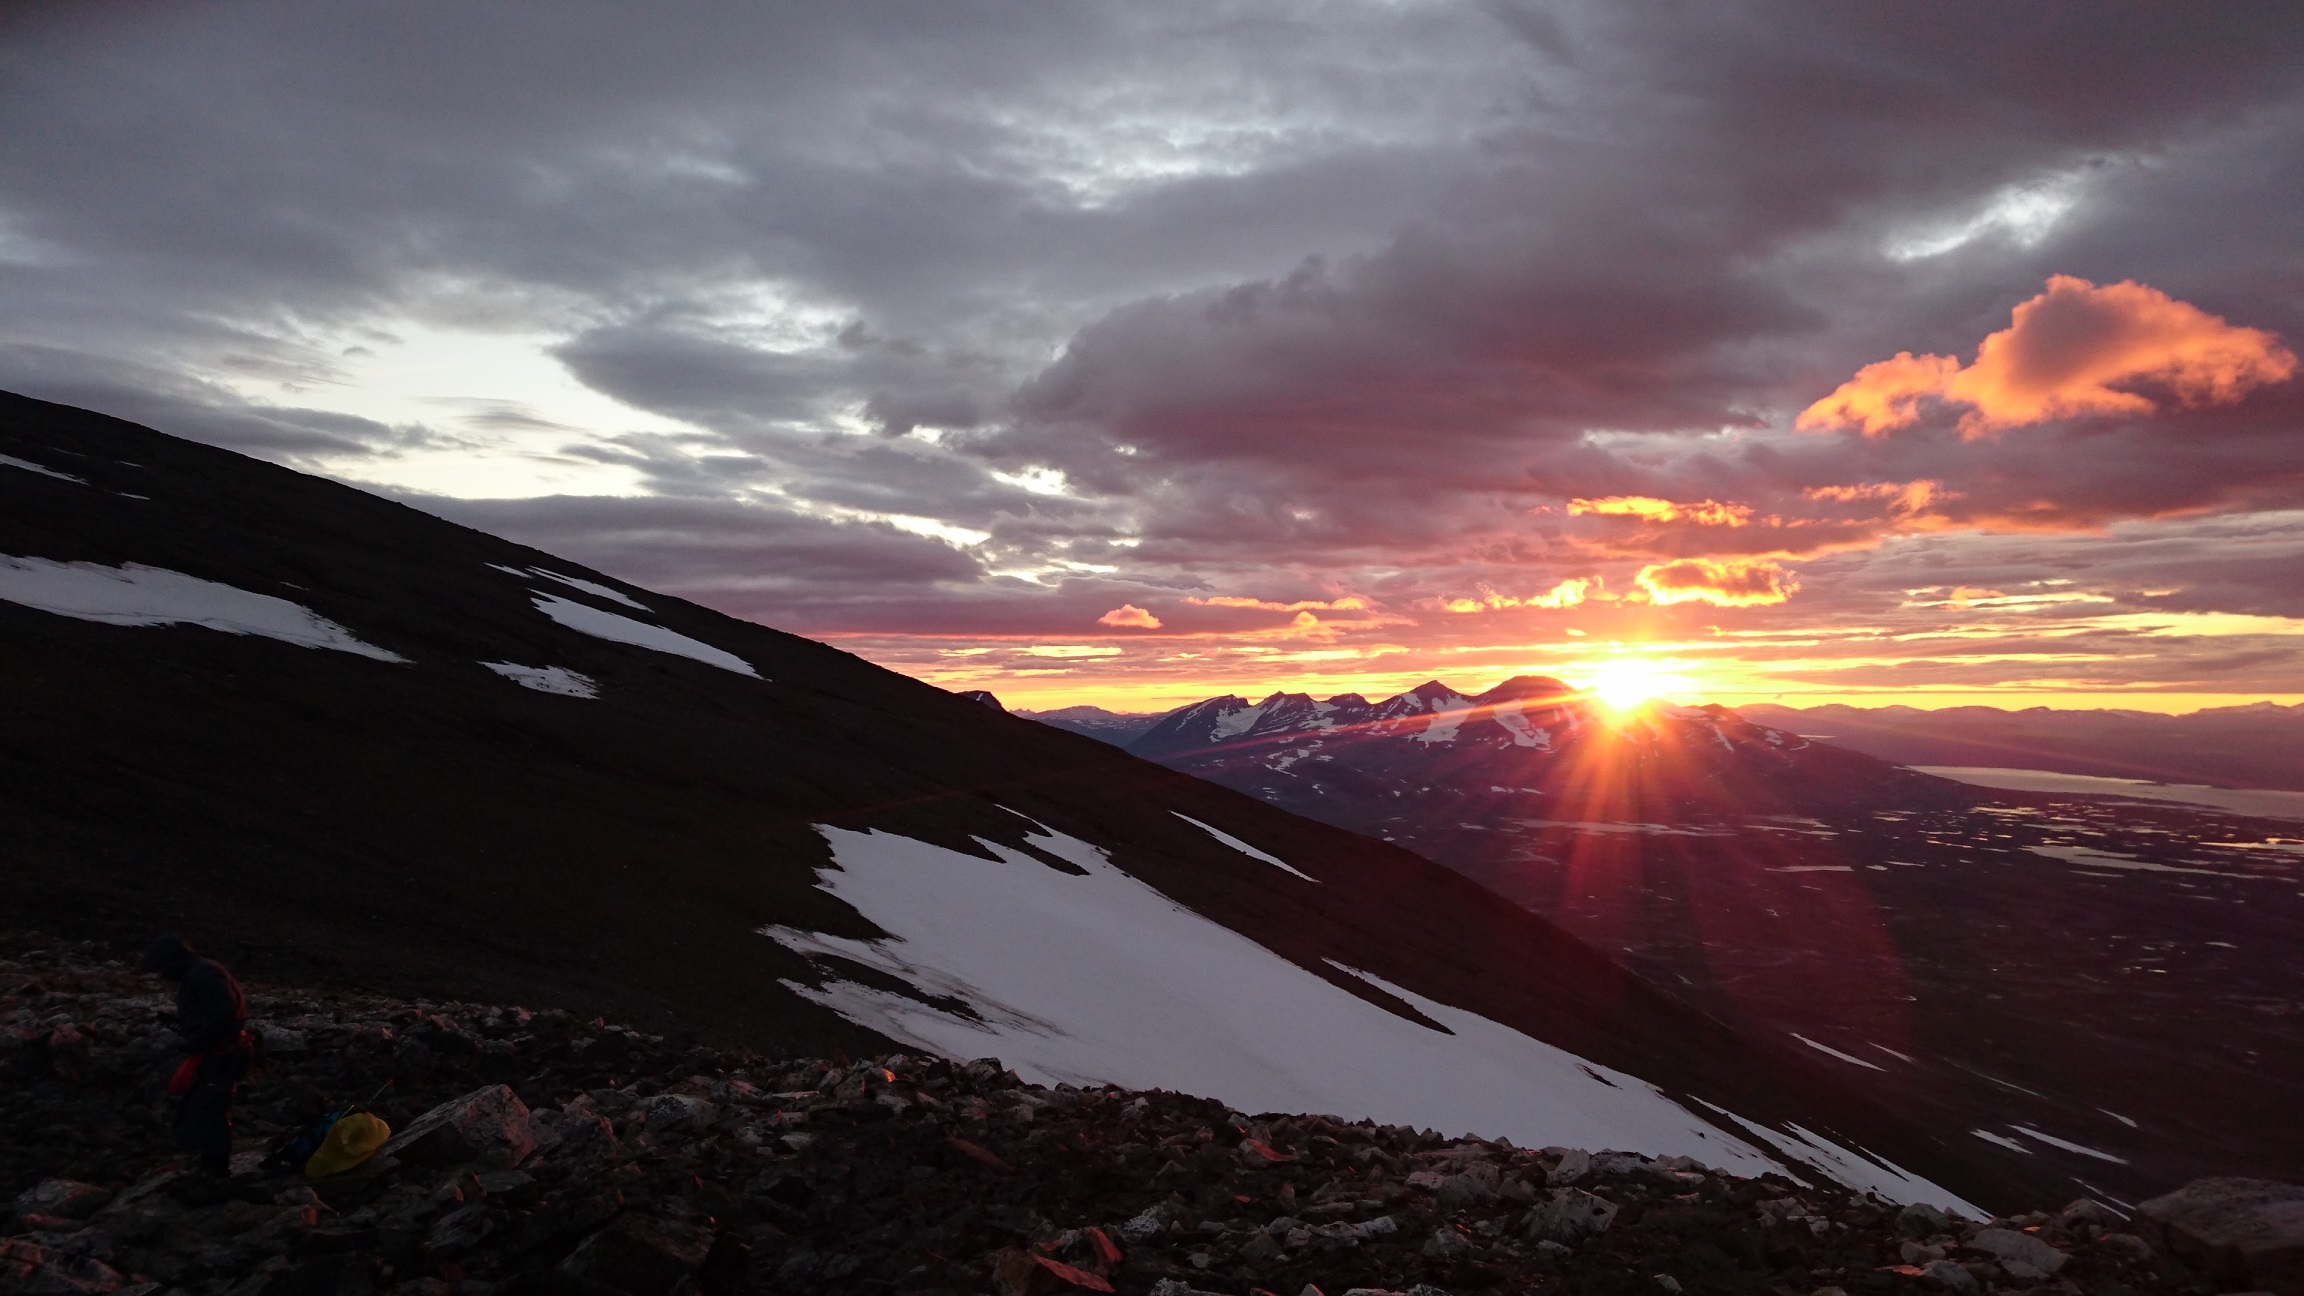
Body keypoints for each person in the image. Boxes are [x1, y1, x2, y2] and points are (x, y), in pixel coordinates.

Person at [139, 935, 251, 1176]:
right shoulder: (204, 971)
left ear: (174, 960)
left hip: (222, 1055)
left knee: (210, 1108)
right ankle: (211, 1163)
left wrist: (196, 1041)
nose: (162, 976)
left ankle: (216, 1170)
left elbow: (225, 1012)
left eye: (162, 970)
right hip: (221, 1052)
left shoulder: (203, 974)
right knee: (207, 1105)